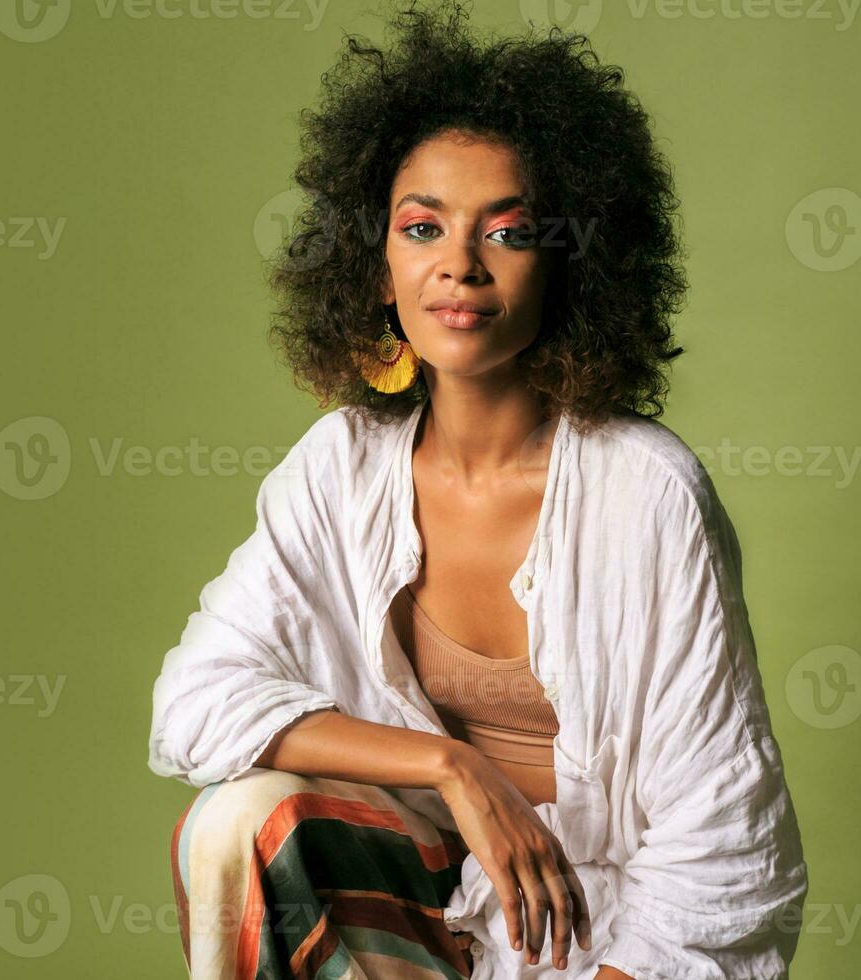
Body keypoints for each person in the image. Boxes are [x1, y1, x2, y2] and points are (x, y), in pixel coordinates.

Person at [149, 2, 809, 977]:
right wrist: (449, 766)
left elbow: (726, 854)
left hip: (599, 941)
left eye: (505, 231)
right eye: (422, 227)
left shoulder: (648, 496)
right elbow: (194, 701)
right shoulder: (340, 468)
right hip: (419, 906)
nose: (457, 264)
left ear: (562, 267)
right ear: (378, 265)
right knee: (238, 819)